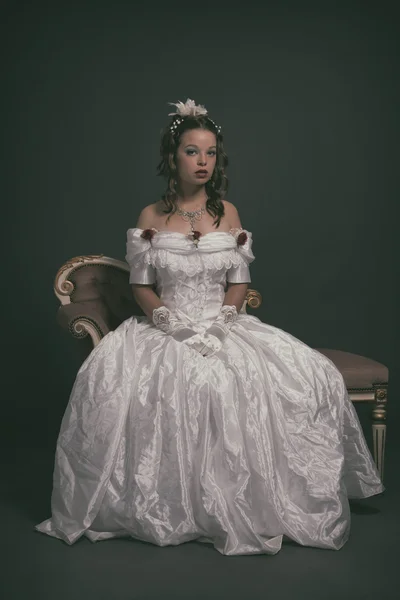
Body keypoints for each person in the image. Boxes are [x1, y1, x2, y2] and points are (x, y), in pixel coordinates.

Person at [35, 98, 384, 556]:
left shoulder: (229, 213)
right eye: (193, 151)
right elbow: (142, 287)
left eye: (211, 153)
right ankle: (177, 504)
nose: (203, 161)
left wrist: (220, 324)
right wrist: (170, 323)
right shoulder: (150, 217)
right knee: (167, 384)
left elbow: (239, 282)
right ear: (172, 156)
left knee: (297, 378)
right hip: (166, 325)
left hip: (222, 322)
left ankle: (257, 501)